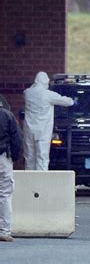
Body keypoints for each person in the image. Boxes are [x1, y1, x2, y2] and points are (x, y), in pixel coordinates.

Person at [24, 71, 74, 171]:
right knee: (42, 157)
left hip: (29, 129)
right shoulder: (48, 95)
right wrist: (73, 100)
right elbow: (67, 101)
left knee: (29, 157)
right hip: (43, 130)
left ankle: (29, 180)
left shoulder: (27, 93)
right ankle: (41, 181)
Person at [0, 104, 23, 242]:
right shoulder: (7, 115)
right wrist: (13, 157)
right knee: (4, 193)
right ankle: (4, 230)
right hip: (3, 157)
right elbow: (17, 139)